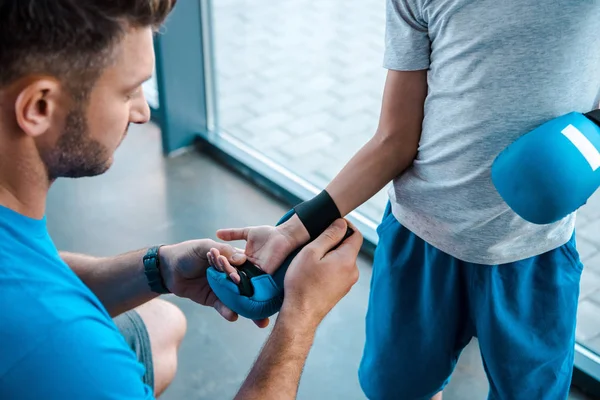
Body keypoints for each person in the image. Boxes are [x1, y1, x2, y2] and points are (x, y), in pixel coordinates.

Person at [211, 1, 600, 399]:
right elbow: (394, 141)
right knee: (398, 392)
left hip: (534, 253)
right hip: (419, 244)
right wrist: (293, 231)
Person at [0, 1, 363, 399]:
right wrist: (300, 317)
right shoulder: (67, 351)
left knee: (163, 322)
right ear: (38, 107)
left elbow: (39, 271)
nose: (141, 112)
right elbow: (44, 312)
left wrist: (160, 269)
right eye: (127, 91)